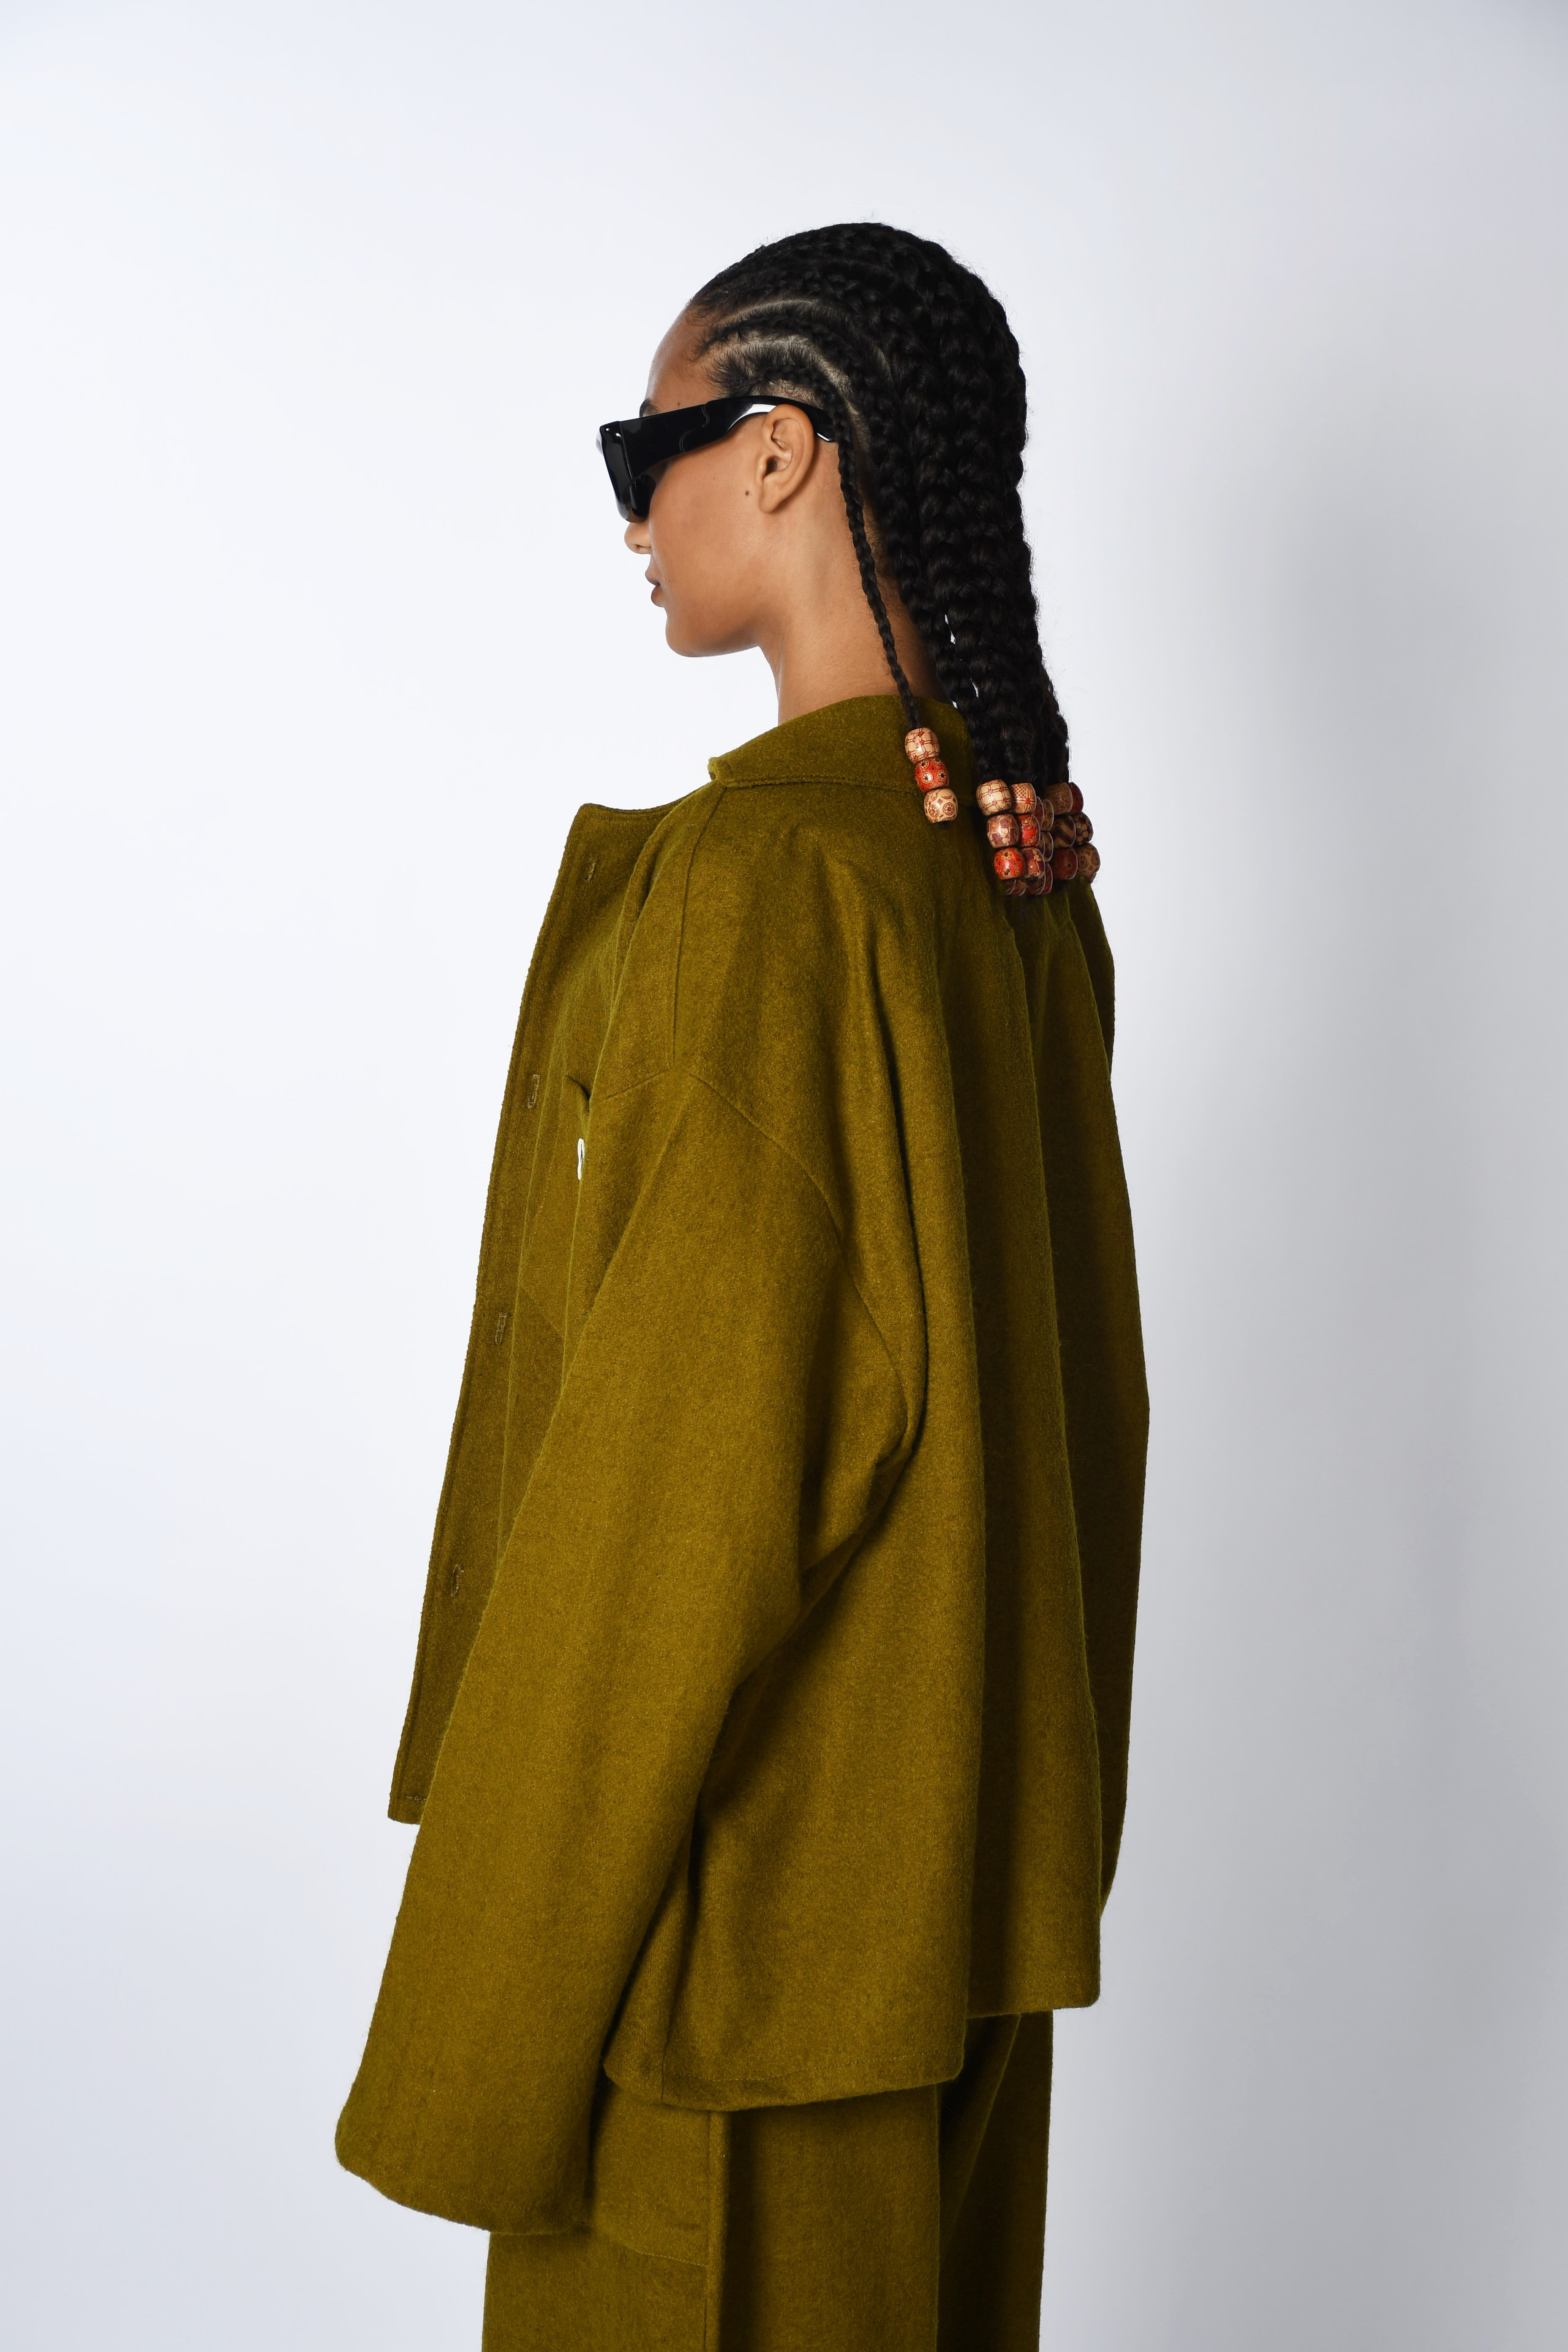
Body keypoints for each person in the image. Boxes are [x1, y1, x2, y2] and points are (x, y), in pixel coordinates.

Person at [336, 221, 1147, 2351]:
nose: (632, 515)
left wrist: (480, 2025)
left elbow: (671, 1508)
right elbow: (1080, 1422)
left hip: (728, 1974)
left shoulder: (780, 885)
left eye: (651, 449)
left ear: (779, 451)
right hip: (938, 1930)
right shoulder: (1004, 865)